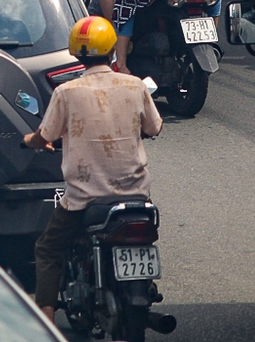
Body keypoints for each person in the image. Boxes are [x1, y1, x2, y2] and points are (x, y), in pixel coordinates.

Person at [22, 16, 162, 326]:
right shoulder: (135, 85)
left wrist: (28, 141)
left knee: (47, 249)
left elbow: (45, 136)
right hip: (136, 196)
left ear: (76, 53)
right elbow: (155, 127)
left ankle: (45, 322)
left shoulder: (67, 92)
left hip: (85, 199)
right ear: (113, 49)